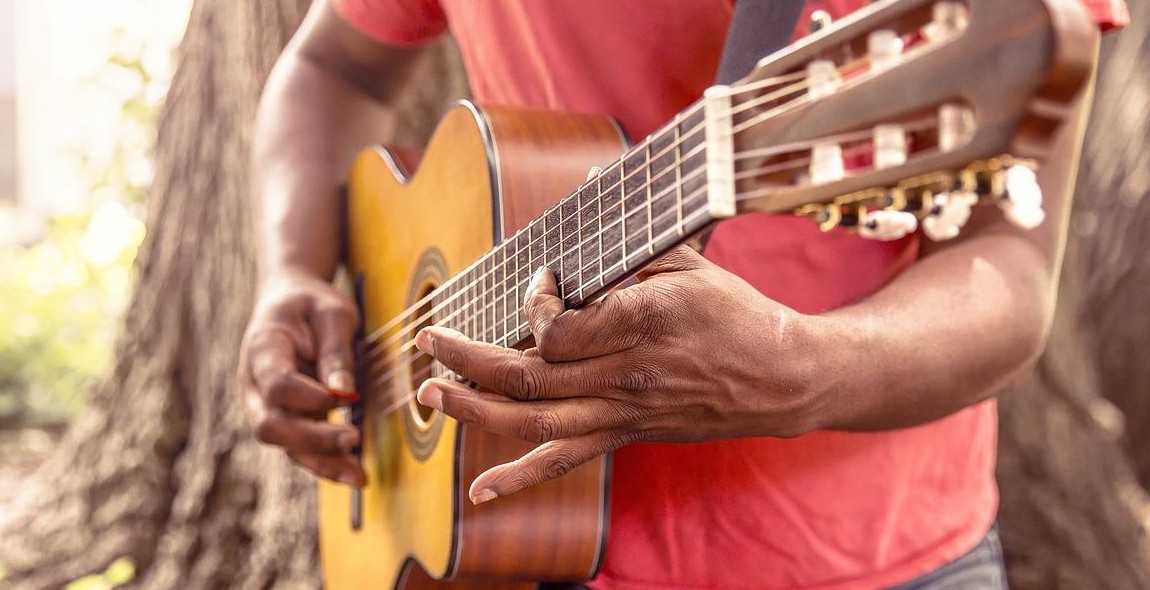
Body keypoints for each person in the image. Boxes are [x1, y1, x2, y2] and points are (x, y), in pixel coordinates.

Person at [241, 1, 1127, 588]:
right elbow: (337, 69)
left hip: (880, 558)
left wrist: (802, 371)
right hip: (512, 543)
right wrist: (290, 271)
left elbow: (1009, 268)